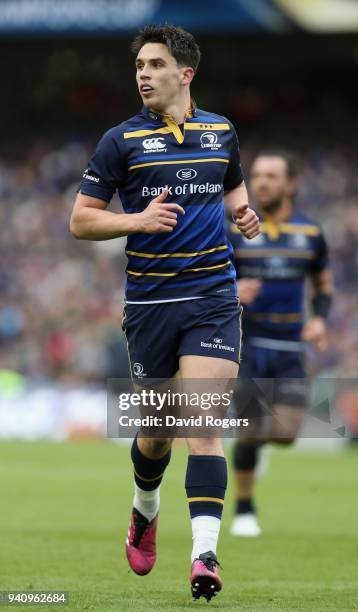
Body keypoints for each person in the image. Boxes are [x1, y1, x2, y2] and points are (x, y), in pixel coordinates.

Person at [70, 24, 260, 601]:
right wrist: (136, 220)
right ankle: (144, 509)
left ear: (186, 73)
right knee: (157, 432)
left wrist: (245, 215)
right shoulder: (120, 141)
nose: (144, 75)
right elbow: (81, 220)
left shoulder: (220, 130)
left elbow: (233, 191)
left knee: (202, 427)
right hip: (151, 306)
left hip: (212, 299)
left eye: (155, 65)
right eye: (139, 67)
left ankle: (205, 556)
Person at [226, 150, 333, 537]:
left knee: (285, 435)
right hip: (246, 346)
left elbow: (322, 285)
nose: (262, 183)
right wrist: (233, 291)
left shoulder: (310, 234)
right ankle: (244, 509)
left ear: (291, 185)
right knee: (249, 431)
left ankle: (253, 448)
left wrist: (319, 318)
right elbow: (206, 282)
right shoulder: (231, 230)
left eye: (271, 176)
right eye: (257, 175)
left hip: (289, 348)